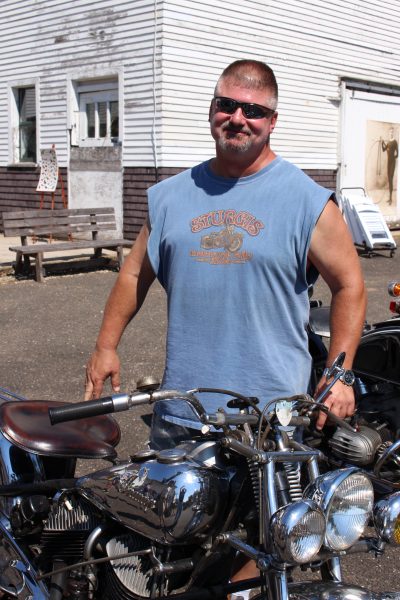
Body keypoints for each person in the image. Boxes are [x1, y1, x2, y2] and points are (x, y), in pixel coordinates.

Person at [85, 59, 366, 598]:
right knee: (168, 558)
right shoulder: (169, 196)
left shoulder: (307, 200)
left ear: (272, 120)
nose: (238, 117)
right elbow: (133, 274)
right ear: (212, 110)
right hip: (183, 413)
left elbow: (350, 286)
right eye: (226, 105)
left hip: (272, 425)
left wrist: (341, 375)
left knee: (268, 552)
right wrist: (105, 346)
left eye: (253, 110)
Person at [381, 128, 398, 205]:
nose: (390, 133)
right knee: (389, 180)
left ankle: (391, 199)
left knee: (390, 179)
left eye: (392, 132)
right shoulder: (388, 142)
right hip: (388, 163)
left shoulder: (395, 142)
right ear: (388, 133)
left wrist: (393, 156)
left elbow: (397, 154)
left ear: (393, 133)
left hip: (392, 163)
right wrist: (382, 143)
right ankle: (390, 198)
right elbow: (384, 149)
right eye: (389, 132)